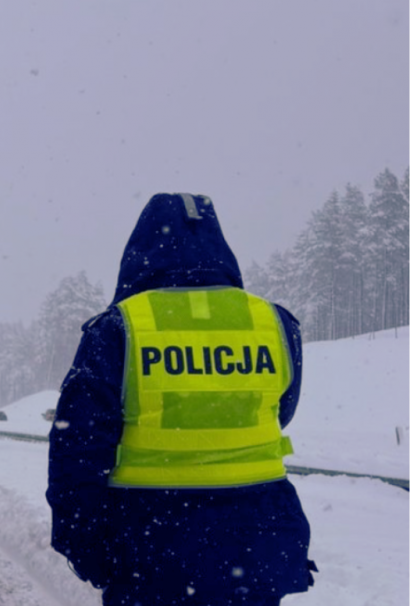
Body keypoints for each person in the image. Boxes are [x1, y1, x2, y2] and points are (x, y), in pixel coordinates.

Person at [47, 193, 316, 606]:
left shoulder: (121, 327)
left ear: (140, 250)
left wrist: (84, 545)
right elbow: (282, 410)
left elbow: (78, 449)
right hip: (259, 546)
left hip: (152, 548)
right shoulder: (273, 323)